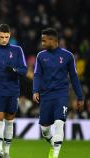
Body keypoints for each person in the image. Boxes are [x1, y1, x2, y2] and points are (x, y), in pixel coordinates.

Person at [33, 28, 84, 158]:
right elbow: (37, 74)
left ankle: (54, 155)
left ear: (53, 40)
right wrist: (35, 90)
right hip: (46, 95)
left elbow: (74, 77)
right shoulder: (41, 56)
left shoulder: (67, 56)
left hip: (61, 95)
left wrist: (80, 96)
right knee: (44, 130)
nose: (42, 43)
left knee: (59, 123)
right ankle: (53, 144)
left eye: (44, 41)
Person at [0, 24, 27, 158]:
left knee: (9, 121)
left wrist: (14, 71)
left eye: (6, 37)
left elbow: (24, 70)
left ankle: (7, 151)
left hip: (12, 90)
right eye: (1, 37)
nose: (4, 39)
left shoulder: (17, 50)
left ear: (10, 36)